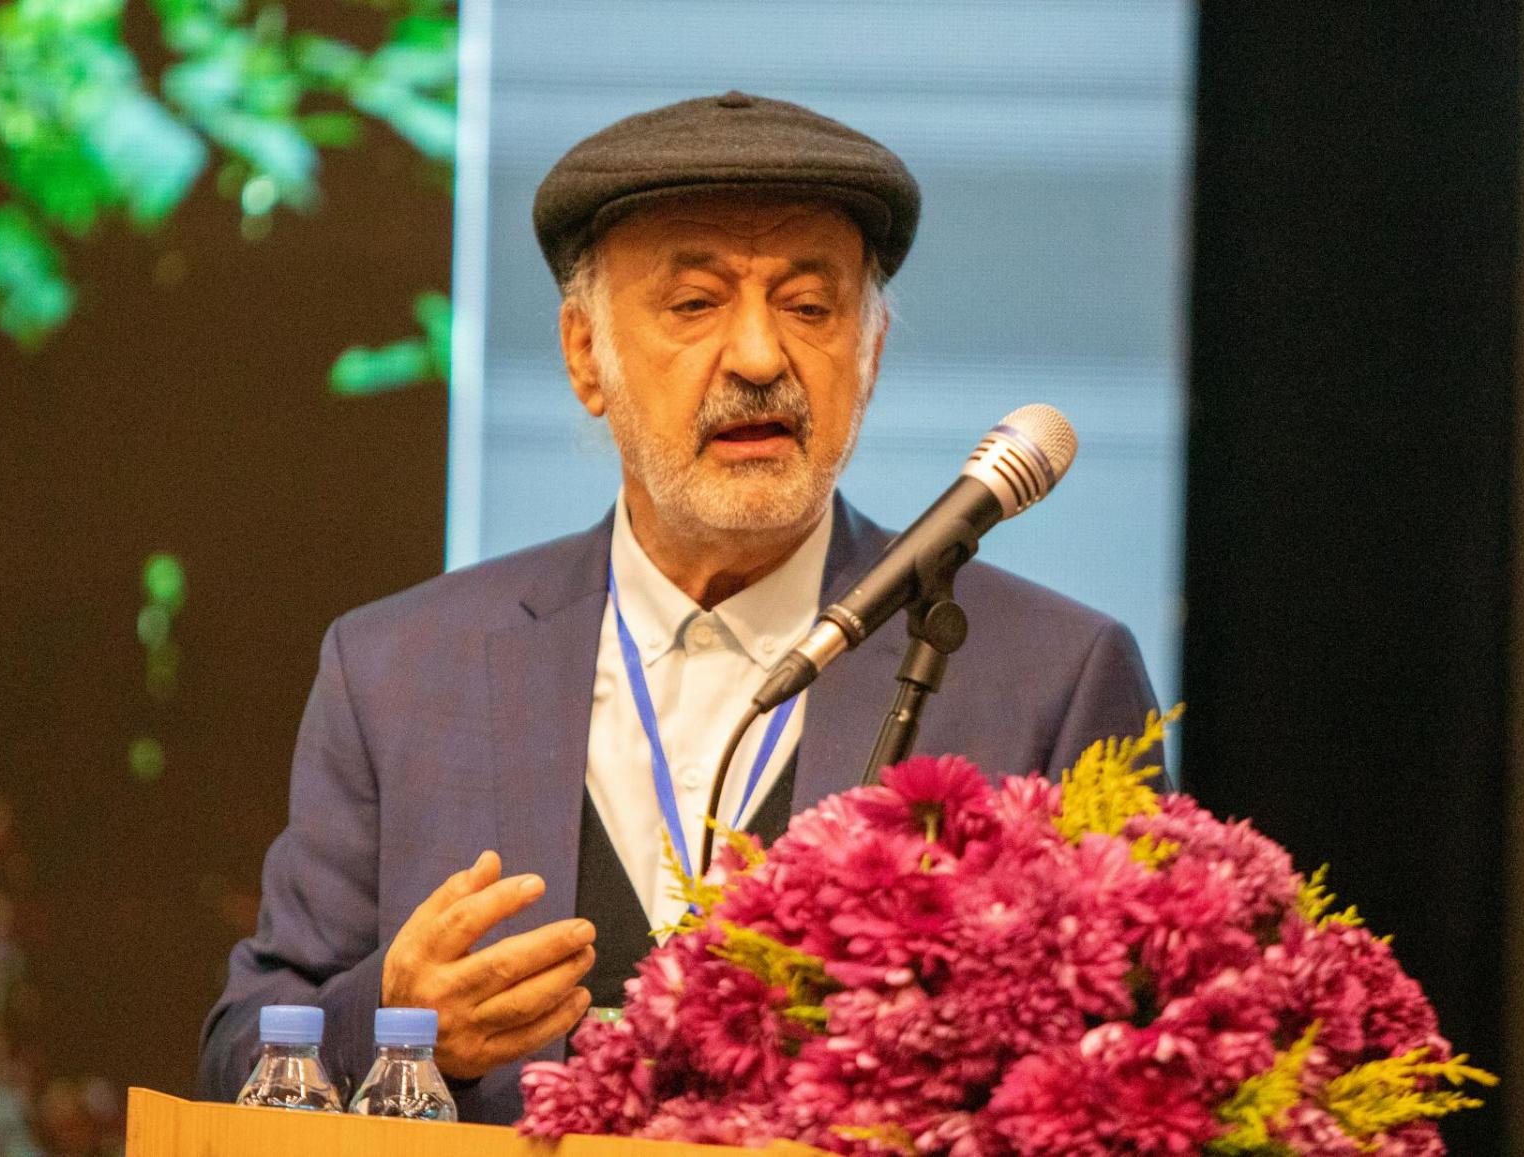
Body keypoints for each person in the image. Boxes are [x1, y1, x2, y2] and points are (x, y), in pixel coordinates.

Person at [197, 91, 1160, 1124]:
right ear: (585, 355)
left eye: (810, 306)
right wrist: (394, 1019)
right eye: (694, 303)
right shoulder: (398, 670)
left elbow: (1150, 1076)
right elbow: (237, 1055)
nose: (759, 358)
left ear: (870, 355)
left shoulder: (1049, 681)